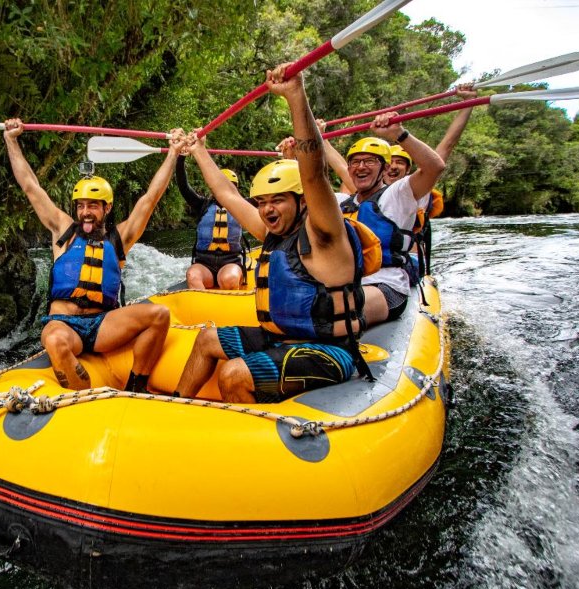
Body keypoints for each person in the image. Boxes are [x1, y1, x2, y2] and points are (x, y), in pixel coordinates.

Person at [172, 64, 381, 404]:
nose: (268, 210)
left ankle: (244, 444)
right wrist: (198, 151)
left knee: (233, 372)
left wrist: (296, 97)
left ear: (301, 202)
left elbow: (315, 175)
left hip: (328, 350)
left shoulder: (324, 232)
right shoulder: (271, 231)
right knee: (208, 339)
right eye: (263, 202)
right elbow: (227, 194)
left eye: (278, 201)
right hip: (279, 338)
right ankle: (176, 407)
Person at [3, 118, 185, 392]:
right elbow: (31, 186)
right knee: (54, 341)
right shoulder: (63, 230)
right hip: (64, 324)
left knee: (159, 314)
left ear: (107, 207)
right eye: (81, 206)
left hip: (103, 325)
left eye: (93, 206)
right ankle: (88, 399)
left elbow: (151, 197)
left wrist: (173, 152)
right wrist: (11, 141)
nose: (85, 212)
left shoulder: (119, 237)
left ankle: (136, 386)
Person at [340, 112, 445, 327]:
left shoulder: (398, 194)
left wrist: (399, 134)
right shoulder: (342, 202)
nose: (361, 167)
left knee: (326, 311)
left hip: (386, 286)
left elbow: (435, 167)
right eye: (355, 162)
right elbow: (309, 185)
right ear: (349, 169)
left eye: (369, 161)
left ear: (386, 168)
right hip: (347, 284)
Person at [383, 84, 478, 275]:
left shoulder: (419, 186)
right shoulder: (369, 191)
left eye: (400, 162)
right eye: (390, 162)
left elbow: (446, 147)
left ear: (408, 168)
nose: (393, 166)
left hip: (409, 260)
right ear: (382, 167)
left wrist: (468, 103)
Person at [176, 156, 247, 289]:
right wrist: (181, 158)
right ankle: (201, 308)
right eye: (221, 186)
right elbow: (183, 186)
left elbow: (268, 197)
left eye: (230, 186)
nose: (225, 190)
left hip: (230, 262)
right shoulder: (202, 205)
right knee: (193, 276)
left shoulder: (243, 206)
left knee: (229, 279)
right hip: (204, 264)